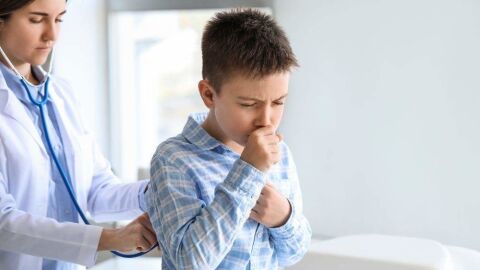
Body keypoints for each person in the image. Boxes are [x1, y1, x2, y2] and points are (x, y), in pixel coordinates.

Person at [146, 8, 312, 269]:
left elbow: (293, 253)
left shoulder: (281, 154)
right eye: (248, 104)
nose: (266, 120)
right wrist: (249, 171)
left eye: (279, 102)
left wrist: (284, 218)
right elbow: (191, 262)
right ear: (209, 95)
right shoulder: (174, 160)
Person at [0, 0, 157, 269]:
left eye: (59, 19)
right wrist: (109, 238)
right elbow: (4, 223)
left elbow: (95, 191)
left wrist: (160, 193)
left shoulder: (61, 94)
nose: (52, 35)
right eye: (37, 20)